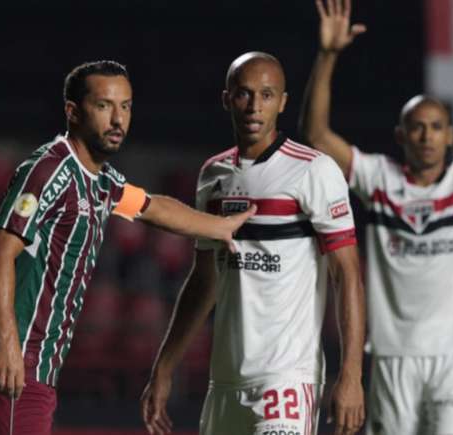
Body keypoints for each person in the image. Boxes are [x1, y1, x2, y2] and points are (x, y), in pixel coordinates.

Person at [0, 60, 257, 435]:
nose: (118, 119)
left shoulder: (102, 182)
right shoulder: (51, 170)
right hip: (14, 362)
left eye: (126, 106)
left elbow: (152, 207)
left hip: (36, 365)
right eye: (104, 106)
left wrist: (220, 226)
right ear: (73, 112)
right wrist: (8, 345)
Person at [299, 0, 453, 433]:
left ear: (450, 136)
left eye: (436, 127)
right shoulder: (378, 178)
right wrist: (329, 54)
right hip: (392, 357)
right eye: (417, 127)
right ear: (401, 135)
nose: (427, 135)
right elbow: (315, 134)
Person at [140, 52, 367, 435]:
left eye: (266, 95)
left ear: (283, 102)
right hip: (225, 382)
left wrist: (352, 374)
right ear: (226, 98)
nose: (254, 106)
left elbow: (347, 276)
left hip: (287, 378)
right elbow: (203, 279)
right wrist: (164, 366)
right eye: (244, 94)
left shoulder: (315, 170)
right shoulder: (213, 176)